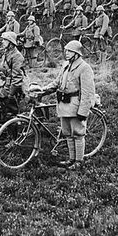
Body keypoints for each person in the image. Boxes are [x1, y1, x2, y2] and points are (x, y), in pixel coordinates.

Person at [42, 40, 95, 170]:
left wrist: (83, 111)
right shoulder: (66, 65)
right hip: (64, 104)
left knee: (78, 133)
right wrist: (43, 90)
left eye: (70, 51)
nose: (67, 53)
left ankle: (79, 161)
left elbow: (88, 92)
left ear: (77, 53)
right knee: (67, 133)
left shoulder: (84, 67)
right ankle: (71, 159)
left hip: (75, 105)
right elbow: (57, 82)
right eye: (66, 51)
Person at [0, 32, 26, 118]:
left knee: (11, 113)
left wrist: (11, 94)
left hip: (12, 89)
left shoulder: (17, 56)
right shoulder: (6, 53)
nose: (2, 42)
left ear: (11, 42)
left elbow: (17, 78)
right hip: (4, 86)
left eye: (5, 40)